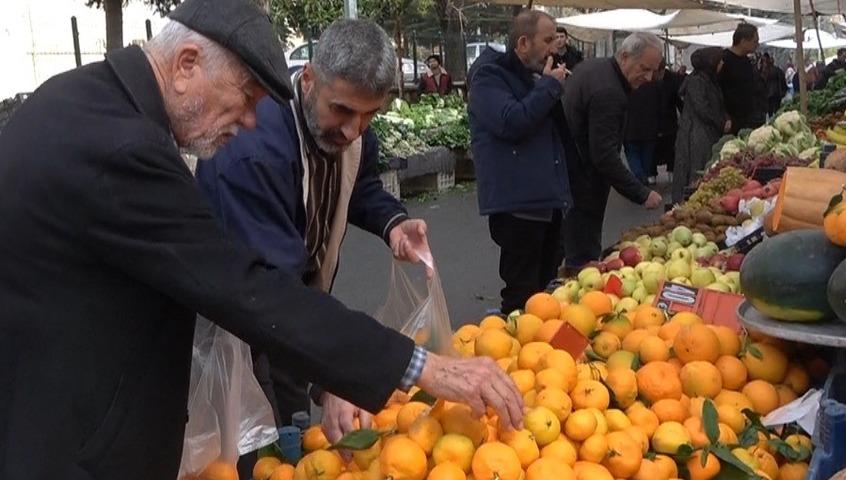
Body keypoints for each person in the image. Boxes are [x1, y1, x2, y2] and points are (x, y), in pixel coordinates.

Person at [0, 1, 524, 478]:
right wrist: (420, 366)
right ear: (186, 65)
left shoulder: (91, 99)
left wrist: (389, 223)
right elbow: (248, 287)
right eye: (246, 96)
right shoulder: (126, 146)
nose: (251, 118)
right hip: (67, 434)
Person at [197, 18, 435, 449]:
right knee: (247, 442)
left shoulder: (354, 130)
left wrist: (394, 223)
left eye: (369, 115)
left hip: (294, 307)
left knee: (293, 426)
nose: (352, 130)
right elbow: (271, 287)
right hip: (236, 324)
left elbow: (360, 187)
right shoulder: (255, 151)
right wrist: (333, 374)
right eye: (342, 110)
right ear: (308, 79)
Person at [468, 10, 570, 314]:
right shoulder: (489, 77)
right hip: (518, 203)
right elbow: (512, 123)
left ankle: (541, 354)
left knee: (545, 288)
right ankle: (514, 352)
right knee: (521, 291)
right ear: (523, 43)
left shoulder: (536, 78)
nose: (557, 46)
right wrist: (549, 88)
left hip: (549, 200)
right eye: (548, 39)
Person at [561, 32, 664, 273]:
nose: (648, 78)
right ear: (625, 56)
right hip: (582, 184)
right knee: (582, 260)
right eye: (644, 69)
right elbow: (603, 155)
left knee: (566, 250)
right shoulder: (609, 91)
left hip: (567, 177)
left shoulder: (593, 68)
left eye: (653, 71)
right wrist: (641, 193)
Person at [673, 47, 731, 204]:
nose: (722, 63)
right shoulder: (697, 81)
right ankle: (687, 203)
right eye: (719, 61)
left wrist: (726, 118)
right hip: (696, 135)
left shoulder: (710, 80)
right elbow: (702, 108)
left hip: (707, 132)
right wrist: (721, 122)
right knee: (695, 169)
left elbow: (718, 104)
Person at [719, 23, 763, 134]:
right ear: (743, 42)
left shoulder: (747, 61)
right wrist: (725, 116)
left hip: (749, 120)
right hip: (731, 123)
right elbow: (716, 91)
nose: (757, 44)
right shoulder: (723, 60)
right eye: (755, 41)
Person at [623, 76, 660, 186]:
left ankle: (640, 177)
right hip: (649, 129)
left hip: (630, 129)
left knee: (632, 155)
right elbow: (659, 107)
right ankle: (644, 176)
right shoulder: (654, 86)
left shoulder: (627, 86)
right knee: (647, 156)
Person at [654, 61, 684, 182]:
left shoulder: (673, 79)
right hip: (655, 119)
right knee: (655, 147)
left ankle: (671, 172)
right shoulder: (651, 77)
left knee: (671, 147)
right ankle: (652, 174)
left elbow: (679, 100)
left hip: (669, 120)